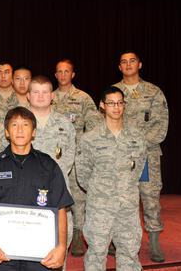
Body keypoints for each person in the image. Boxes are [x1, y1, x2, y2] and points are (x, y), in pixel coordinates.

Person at [0, 107, 73, 271]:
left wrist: (61, 247)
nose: (20, 130)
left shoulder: (49, 165)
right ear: (7, 132)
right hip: (2, 253)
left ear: (34, 132)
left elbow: (60, 208)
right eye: (14, 125)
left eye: (25, 125)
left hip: (41, 254)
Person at [77, 86, 147, 270]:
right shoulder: (89, 139)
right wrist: (101, 190)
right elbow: (83, 175)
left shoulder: (137, 138)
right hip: (100, 207)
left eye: (120, 103)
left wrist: (124, 188)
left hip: (128, 207)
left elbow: (138, 170)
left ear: (124, 105)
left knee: (130, 253)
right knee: (96, 254)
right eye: (111, 103)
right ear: (102, 106)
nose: (116, 107)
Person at [113, 50, 169, 262]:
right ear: (119, 67)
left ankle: (154, 240)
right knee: (121, 198)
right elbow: (106, 123)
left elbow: (161, 126)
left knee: (149, 197)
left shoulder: (154, 92)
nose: (128, 65)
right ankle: (120, 240)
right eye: (124, 62)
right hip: (120, 156)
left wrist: (138, 145)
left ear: (140, 64)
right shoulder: (113, 92)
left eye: (132, 61)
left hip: (146, 155)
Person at [53, 59, 101, 256]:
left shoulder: (83, 98)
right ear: (55, 75)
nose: (63, 75)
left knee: (78, 197)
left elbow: (94, 125)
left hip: (77, 155)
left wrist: (83, 147)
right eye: (59, 72)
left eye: (67, 72)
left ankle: (78, 234)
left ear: (72, 75)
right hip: (53, 156)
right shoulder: (49, 96)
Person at [26, 76, 76, 264]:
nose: (41, 96)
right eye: (36, 92)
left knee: (57, 251)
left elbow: (69, 158)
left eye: (45, 92)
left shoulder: (65, 124)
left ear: (52, 96)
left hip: (57, 195)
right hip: (25, 196)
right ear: (28, 95)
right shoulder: (19, 122)